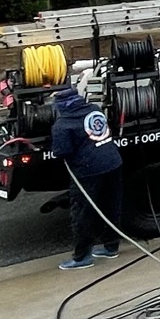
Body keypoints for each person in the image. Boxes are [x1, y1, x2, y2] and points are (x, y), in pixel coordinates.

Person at [49, 85, 124, 270]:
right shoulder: (94, 109)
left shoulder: (63, 125)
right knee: (111, 206)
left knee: (83, 214)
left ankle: (82, 257)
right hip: (113, 162)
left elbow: (61, 151)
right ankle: (111, 247)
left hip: (88, 171)